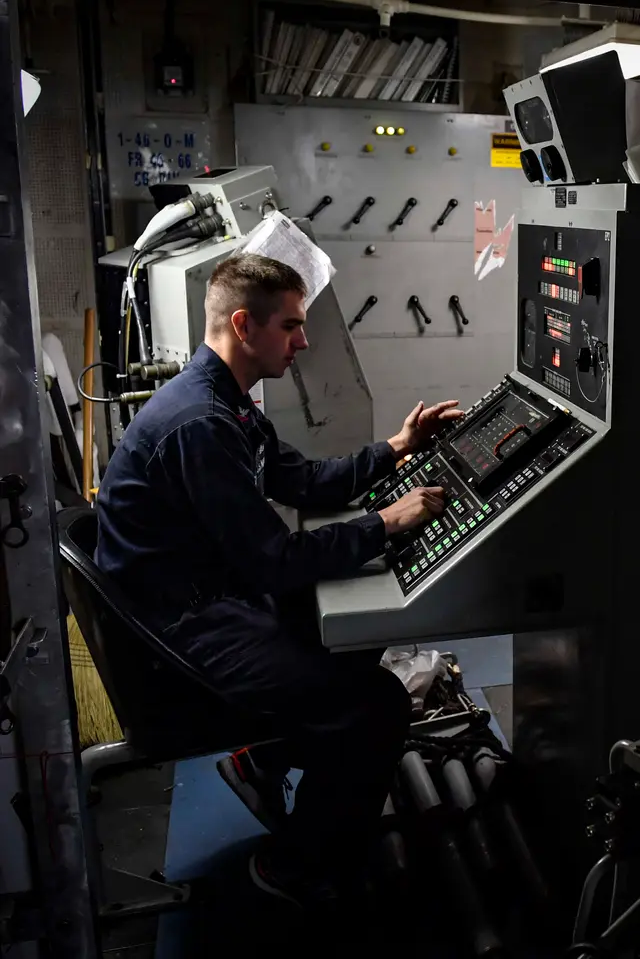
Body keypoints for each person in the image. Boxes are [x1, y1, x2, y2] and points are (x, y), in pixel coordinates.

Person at [94, 252, 463, 905]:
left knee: (354, 634)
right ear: (244, 325)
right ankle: (294, 867)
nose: (304, 340)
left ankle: (262, 762)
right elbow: (274, 561)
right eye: (291, 326)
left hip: (208, 600)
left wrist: (394, 450)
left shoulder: (225, 403)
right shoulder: (201, 425)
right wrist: (385, 523)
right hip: (183, 636)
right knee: (376, 705)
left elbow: (301, 480)